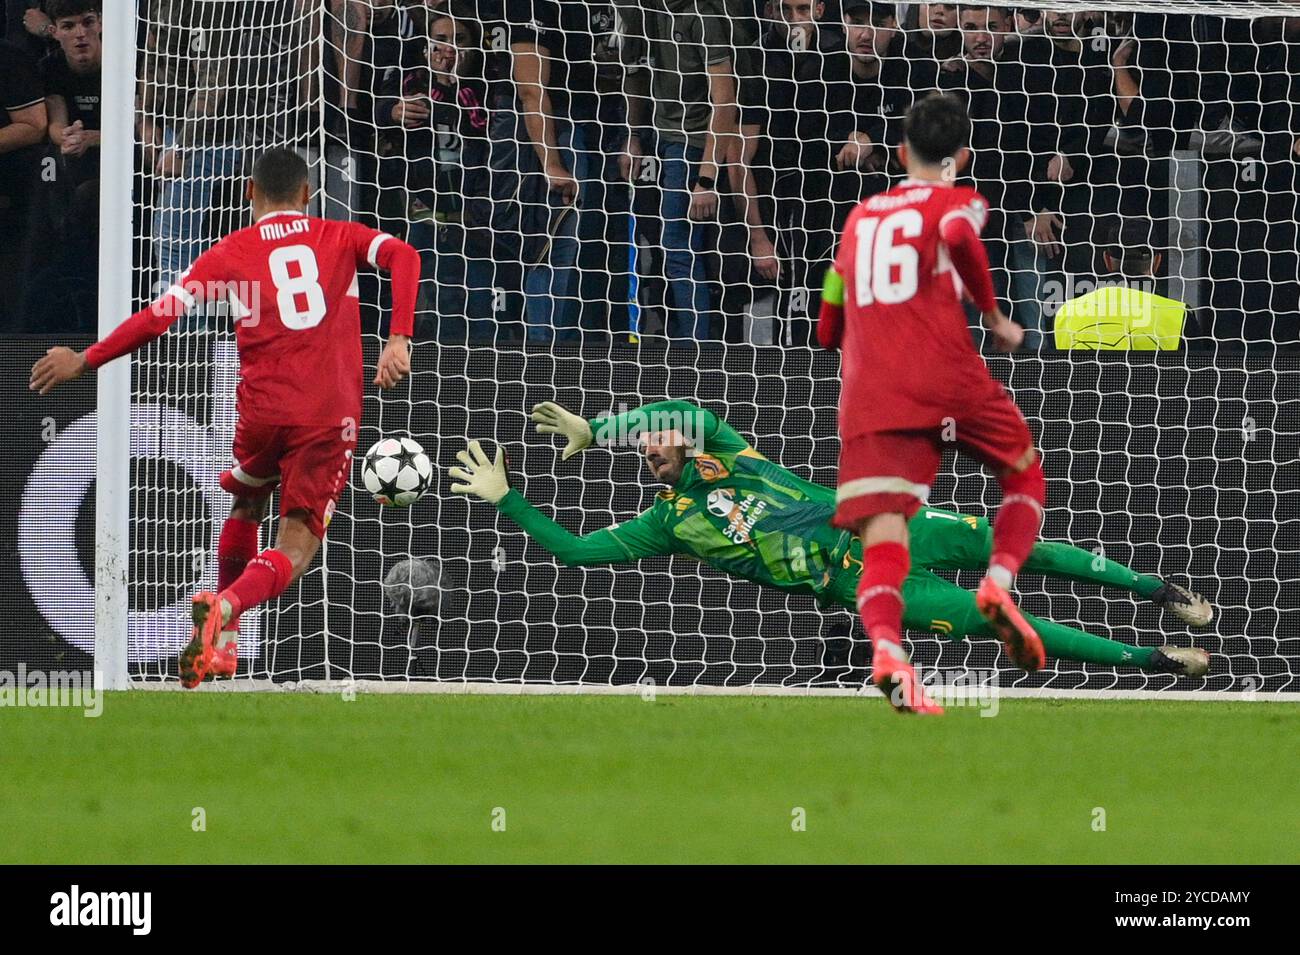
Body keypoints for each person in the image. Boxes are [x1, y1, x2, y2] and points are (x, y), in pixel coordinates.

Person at [447, 399, 1211, 700]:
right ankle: (1152, 660)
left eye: (656, 441)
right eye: (643, 454)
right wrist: (507, 497)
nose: (652, 450)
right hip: (862, 582)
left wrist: (599, 427)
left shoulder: (731, 453)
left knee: (1017, 546)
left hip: (881, 522)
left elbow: (694, 412)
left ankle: (1158, 589)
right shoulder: (667, 523)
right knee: (991, 616)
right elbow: (578, 553)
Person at [29, 149, 422, 688]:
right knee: (296, 546)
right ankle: (226, 608)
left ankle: (222, 649)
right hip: (325, 413)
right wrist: (397, 339)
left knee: (246, 500)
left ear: (248, 193)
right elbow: (405, 256)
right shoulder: (339, 235)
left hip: (261, 412)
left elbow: (157, 318)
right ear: (307, 195)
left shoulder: (228, 253)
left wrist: (85, 359)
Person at [818, 93, 1044, 714]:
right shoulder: (956, 200)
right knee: (1023, 472)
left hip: (871, 397)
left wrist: (853, 328)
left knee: (884, 535)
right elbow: (954, 235)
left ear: (898, 151)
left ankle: (889, 651)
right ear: (961, 156)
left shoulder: (860, 218)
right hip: (946, 378)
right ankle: (996, 586)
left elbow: (826, 324)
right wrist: (997, 317)